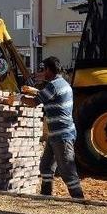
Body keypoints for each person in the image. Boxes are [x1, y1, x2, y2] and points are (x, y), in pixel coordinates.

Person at [22, 57, 84, 199]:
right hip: (55, 134)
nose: (43, 73)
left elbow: (34, 102)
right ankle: (45, 196)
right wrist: (34, 91)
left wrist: (19, 98)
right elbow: (44, 96)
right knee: (46, 166)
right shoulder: (62, 83)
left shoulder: (53, 86)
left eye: (44, 70)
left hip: (62, 134)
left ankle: (79, 200)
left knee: (67, 170)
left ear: (49, 70)